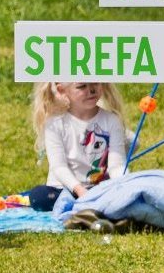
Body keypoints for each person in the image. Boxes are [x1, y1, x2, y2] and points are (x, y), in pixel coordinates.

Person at [23, 81, 130, 211]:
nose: (91, 90)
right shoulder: (54, 123)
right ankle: (89, 205)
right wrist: (80, 191)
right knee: (39, 196)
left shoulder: (112, 120)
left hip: (98, 188)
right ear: (62, 90)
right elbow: (59, 167)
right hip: (63, 189)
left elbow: (117, 165)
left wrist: (123, 186)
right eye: (82, 86)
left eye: (95, 83)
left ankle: (85, 206)